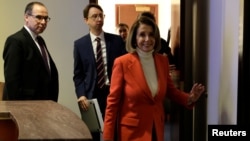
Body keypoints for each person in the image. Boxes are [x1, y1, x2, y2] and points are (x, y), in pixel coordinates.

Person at [103, 16, 205, 141]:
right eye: (142, 35)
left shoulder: (162, 61)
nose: (147, 39)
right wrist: (107, 137)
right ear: (135, 38)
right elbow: (112, 104)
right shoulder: (122, 63)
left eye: (151, 35)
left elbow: (170, 91)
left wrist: (189, 98)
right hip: (132, 133)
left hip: (156, 130)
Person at [73, 3, 126, 141]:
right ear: (86, 20)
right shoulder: (80, 44)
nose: (99, 19)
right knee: (92, 134)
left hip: (113, 92)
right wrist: (81, 95)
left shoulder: (116, 41)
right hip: (91, 95)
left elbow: (125, 69)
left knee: (114, 131)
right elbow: (78, 74)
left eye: (101, 16)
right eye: (94, 16)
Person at [2, 1, 59, 102]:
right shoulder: (15, 41)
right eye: (39, 17)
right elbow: (12, 81)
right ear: (26, 17)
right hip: (25, 108)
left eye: (46, 18)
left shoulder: (40, 41)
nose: (43, 22)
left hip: (44, 106)